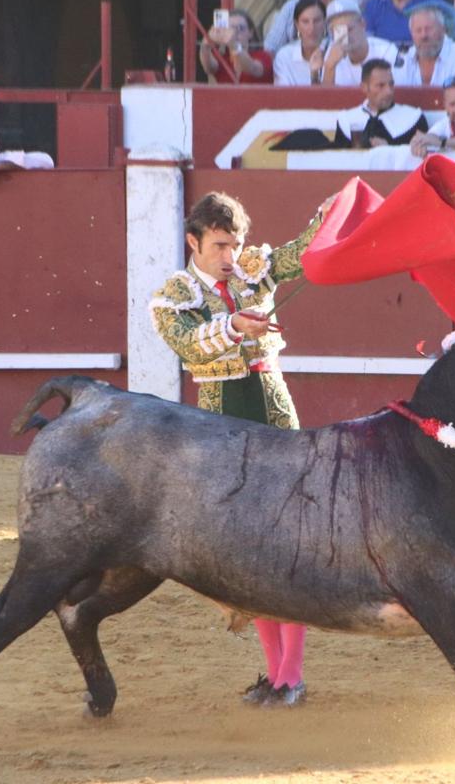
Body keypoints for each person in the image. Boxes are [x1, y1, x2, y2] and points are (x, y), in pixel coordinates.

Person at [149, 191, 329, 708]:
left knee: (289, 548)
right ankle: (275, 676)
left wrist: (325, 216)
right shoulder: (172, 295)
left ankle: (291, 676)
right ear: (194, 241)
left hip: (274, 415)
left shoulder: (254, 268)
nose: (232, 256)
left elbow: (299, 253)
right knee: (249, 556)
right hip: (222, 427)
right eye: (221, 245)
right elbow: (188, 342)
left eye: (237, 243)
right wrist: (232, 325)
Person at [334, 58, 428, 147]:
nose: (389, 91)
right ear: (364, 88)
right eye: (381, 85)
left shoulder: (413, 118)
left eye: (391, 84)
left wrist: (389, 149)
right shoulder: (346, 120)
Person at [393, 0, 455, 86]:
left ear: (443, 30)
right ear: (411, 34)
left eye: (429, 29)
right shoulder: (403, 58)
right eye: (418, 30)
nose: (424, 36)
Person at [318, 0, 399, 85]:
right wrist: (330, 67)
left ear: (363, 25)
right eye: (339, 31)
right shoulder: (331, 54)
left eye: (350, 29)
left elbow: (393, 92)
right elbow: (327, 97)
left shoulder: (386, 50)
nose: (346, 36)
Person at [410, 75, 455, 155]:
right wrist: (418, 143)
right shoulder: (443, 124)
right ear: (445, 106)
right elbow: (429, 137)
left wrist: (442, 142)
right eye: (452, 104)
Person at [201, 8, 273, 84]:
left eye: (240, 28)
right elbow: (208, 68)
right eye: (230, 28)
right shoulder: (222, 58)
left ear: (251, 33)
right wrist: (206, 45)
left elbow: (252, 68)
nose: (235, 32)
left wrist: (234, 44)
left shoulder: (264, 56)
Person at [273, 0, 328, 86]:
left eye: (317, 21)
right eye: (305, 22)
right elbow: (283, 96)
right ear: (297, 25)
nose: (312, 28)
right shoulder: (285, 56)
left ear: (325, 22)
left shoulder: (335, 52)